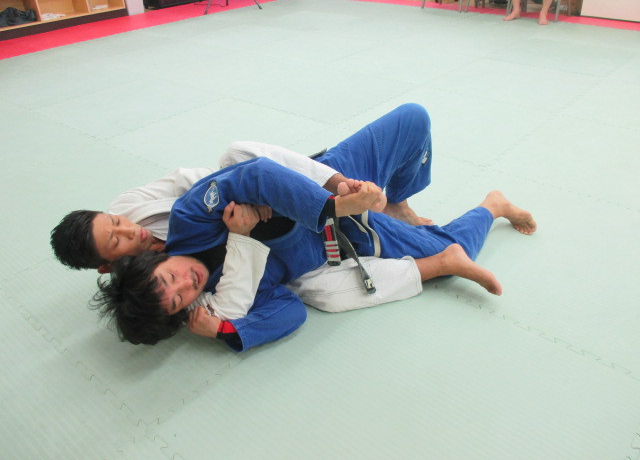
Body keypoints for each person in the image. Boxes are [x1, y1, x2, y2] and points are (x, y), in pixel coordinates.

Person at [94, 152, 536, 352]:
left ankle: (490, 207)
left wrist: (332, 207)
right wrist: (223, 331)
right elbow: (289, 312)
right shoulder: (228, 293)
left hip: (335, 212)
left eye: (168, 278)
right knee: (338, 295)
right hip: (327, 255)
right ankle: (480, 218)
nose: (186, 283)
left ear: (154, 261)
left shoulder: (190, 220)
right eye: (178, 300)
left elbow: (256, 172)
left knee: (448, 251)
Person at [51, 104, 437, 313]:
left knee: (414, 119)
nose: (128, 230)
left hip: (282, 199)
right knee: (329, 292)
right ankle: (344, 209)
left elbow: (193, 182)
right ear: (107, 267)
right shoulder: (154, 289)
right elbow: (229, 304)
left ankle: (378, 200)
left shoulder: (132, 207)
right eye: (116, 242)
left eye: (115, 223)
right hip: (287, 251)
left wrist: (251, 197)